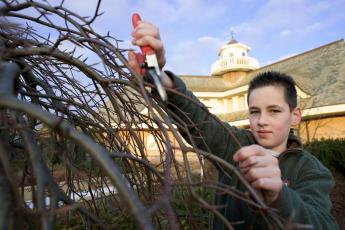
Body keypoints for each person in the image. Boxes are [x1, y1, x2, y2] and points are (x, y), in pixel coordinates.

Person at [128, 21, 339, 229]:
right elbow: (200, 120)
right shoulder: (235, 146)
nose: (262, 121)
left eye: (274, 111)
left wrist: (279, 196)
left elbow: (323, 223)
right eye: (254, 111)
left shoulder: (311, 170)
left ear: (295, 116)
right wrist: (162, 80)